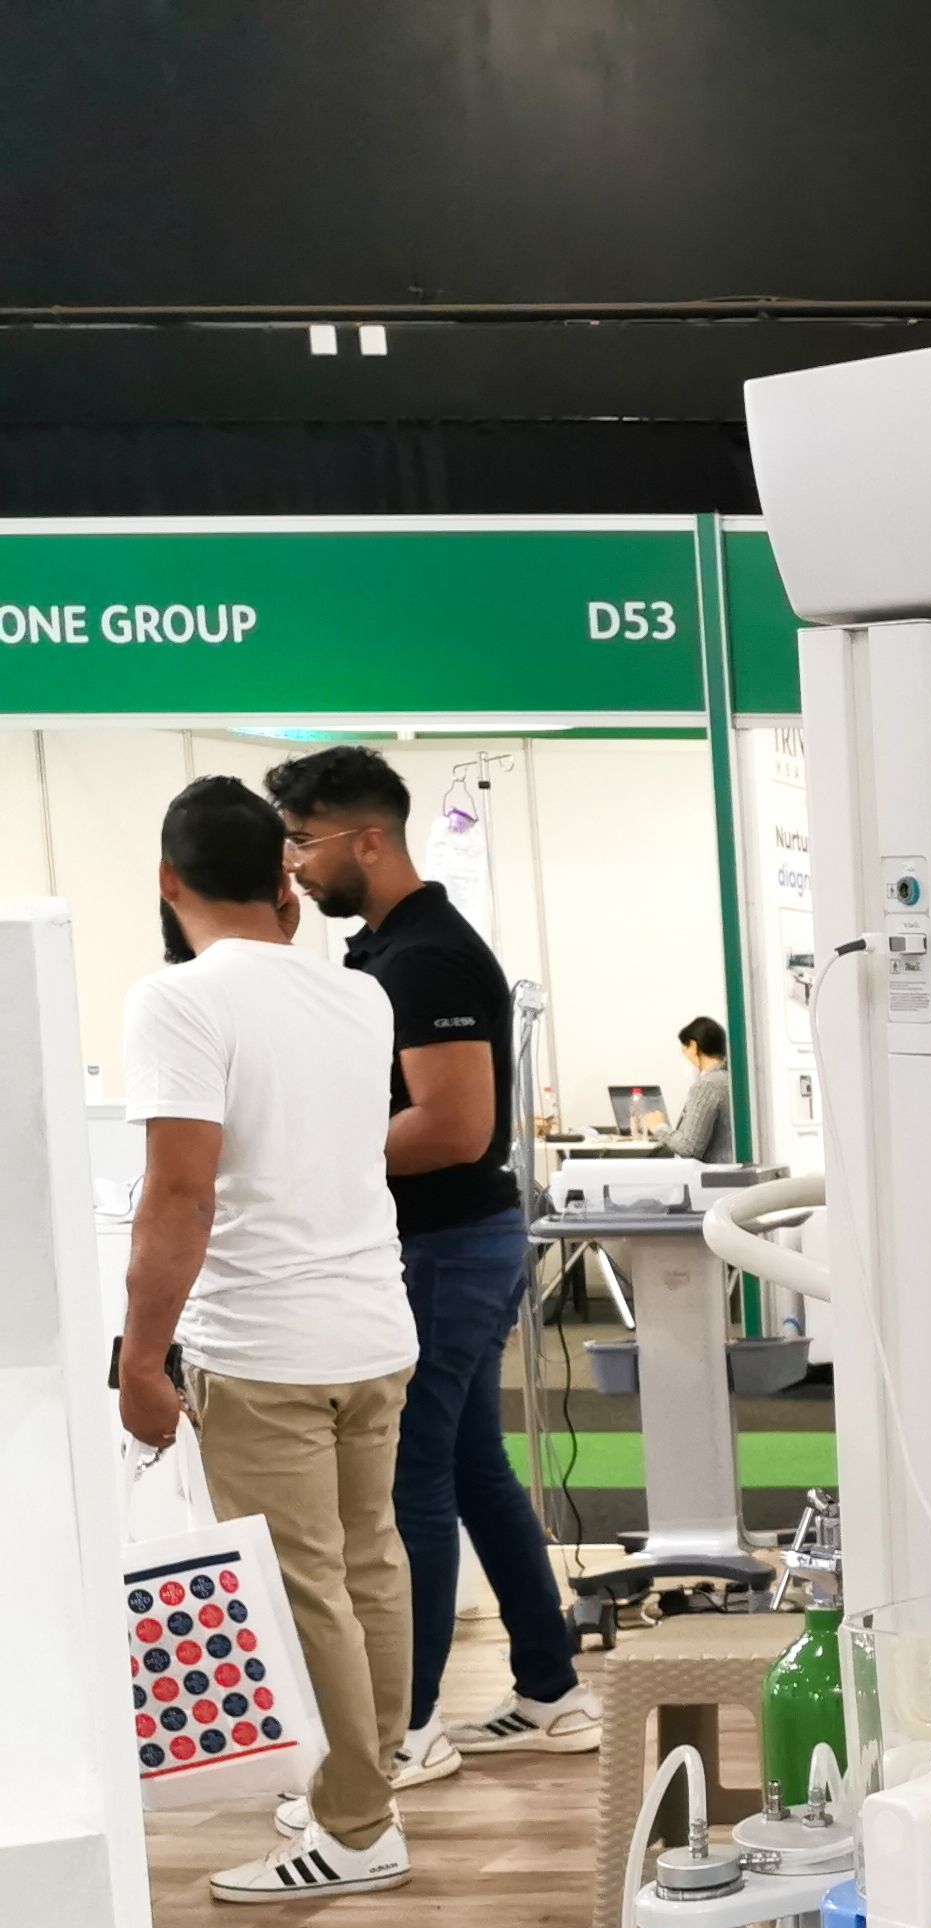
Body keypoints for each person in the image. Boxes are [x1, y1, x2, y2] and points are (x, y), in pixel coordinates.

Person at [118, 776, 425, 1902]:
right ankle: (366, 1787)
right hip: (371, 1323)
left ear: (169, 878)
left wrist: (140, 1358)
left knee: (306, 1587)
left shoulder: (178, 1000)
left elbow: (180, 1194)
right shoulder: (358, 994)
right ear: (284, 874)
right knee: (367, 1565)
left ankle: (355, 1825)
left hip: (263, 1341)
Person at [273, 745, 598, 1780]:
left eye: (304, 841)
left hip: (449, 1248)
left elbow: (456, 1128)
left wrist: (317, 1156)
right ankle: (551, 1689)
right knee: (469, 1469)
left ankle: (409, 1728)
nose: (294, 865)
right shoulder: (380, 951)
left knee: (409, 1479)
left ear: (368, 838)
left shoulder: (428, 959)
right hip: (443, 1246)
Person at [643, 1013, 733, 1160]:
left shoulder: (706, 1086)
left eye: (684, 1050)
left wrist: (659, 1127)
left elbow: (690, 1148)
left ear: (693, 1046)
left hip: (709, 1173)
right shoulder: (728, 1079)